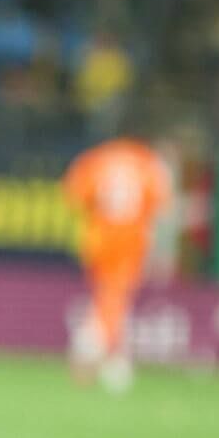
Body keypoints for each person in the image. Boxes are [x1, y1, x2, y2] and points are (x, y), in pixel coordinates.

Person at [62, 134, 172, 391]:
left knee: (110, 296)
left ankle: (114, 359)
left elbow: (74, 197)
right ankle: (90, 345)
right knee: (115, 297)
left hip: (98, 239)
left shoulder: (94, 159)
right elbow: (160, 204)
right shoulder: (147, 162)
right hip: (130, 240)